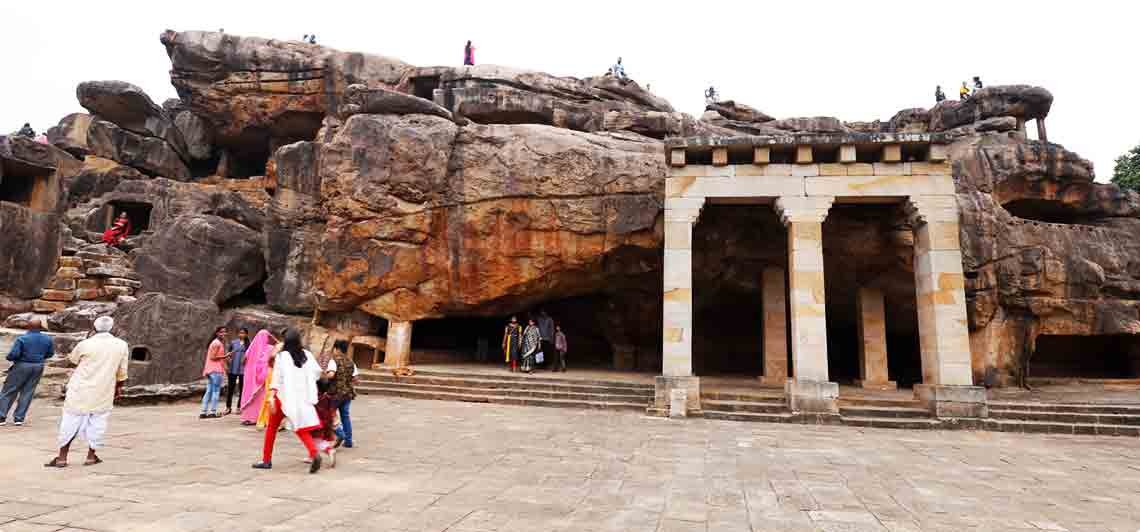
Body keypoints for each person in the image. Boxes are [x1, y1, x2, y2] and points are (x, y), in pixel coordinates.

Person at [44, 316, 128, 467]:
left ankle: (62, 457)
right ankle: (91, 456)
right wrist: (118, 388)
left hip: (80, 389)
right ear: (113, 329)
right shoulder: (121, 345)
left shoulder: (85, 344)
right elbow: (122, 372)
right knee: (98, 421)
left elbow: (73, 360)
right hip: (104, 389)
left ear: (94, 329)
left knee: (70, 420)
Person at [252, 329, 324, 473]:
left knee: (272, 429)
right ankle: (314, 452)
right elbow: (317, 372)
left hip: (283, 397)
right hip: (301, 399)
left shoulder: (282, 356)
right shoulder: (307, 355)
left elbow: (277, 379)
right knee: (299, 427)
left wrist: (272, 396)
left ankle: (266, 460)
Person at [0, 318, 54, 426]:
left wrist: (9, 358)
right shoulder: (48, 339)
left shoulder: (22, 339)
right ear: (40, 327)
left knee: (9, 390)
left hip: (22, 365)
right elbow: (50, 354)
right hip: (38, 366)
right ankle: (19, 418)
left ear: (28, 327)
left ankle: (1, 416)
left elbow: (14, 354)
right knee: (28, 392)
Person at [328, 340, 357, 449]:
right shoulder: (351, 362)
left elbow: (331, 375)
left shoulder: (333, 361)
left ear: (337, 349)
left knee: (329, 414)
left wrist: (323, 375)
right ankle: (348, 441)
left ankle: (340, 434)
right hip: (348, 394)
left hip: (335, 394)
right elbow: (355, 378)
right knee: (345, 416)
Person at [200, 326, 228, 419]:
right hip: (216, 370)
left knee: (209, 391)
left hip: (209, 370)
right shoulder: (217, 343)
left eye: (224, 332)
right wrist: (225, 356)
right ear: (217, 333)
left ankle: (203, 412)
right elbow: (213, 357)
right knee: (216, 391)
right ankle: (212, 412)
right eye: (221, 332)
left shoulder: (214, 342)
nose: (223, 334)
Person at [224, 328, 250, 416]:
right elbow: (228, 354)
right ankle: (228, 407)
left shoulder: (249, 344)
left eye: (243, 333)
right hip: (233, 368)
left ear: (246, 334)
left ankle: (239, 407)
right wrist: (228, 361)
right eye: (240, 333)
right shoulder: (233, 342)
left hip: (243, 369)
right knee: (230, 388)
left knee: (242, 389)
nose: (241, 334)